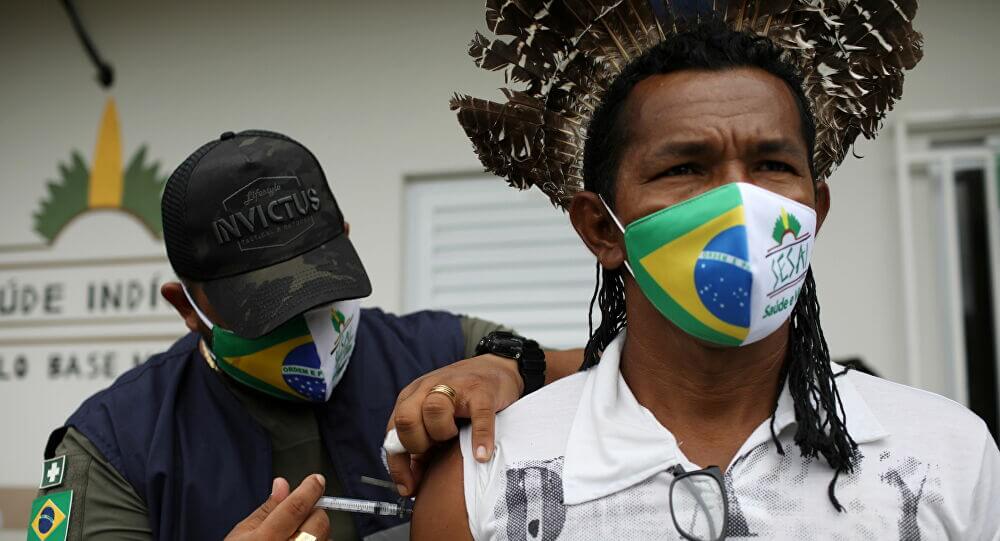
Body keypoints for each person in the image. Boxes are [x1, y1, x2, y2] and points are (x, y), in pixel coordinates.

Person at [413, 6, 1000, 541]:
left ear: (815, 212)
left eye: (773, 164)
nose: (738, 203)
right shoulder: (485, 475)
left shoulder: (949, 455)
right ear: (601, 228)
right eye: (684, 168)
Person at [27, 130, 583, 541]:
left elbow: (610, 372)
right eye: (264, 312)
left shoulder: (445, 351)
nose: (308, 330)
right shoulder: (114, 447)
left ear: (346, 242)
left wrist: (512, 367)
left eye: (321, 292)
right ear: (188, 307)